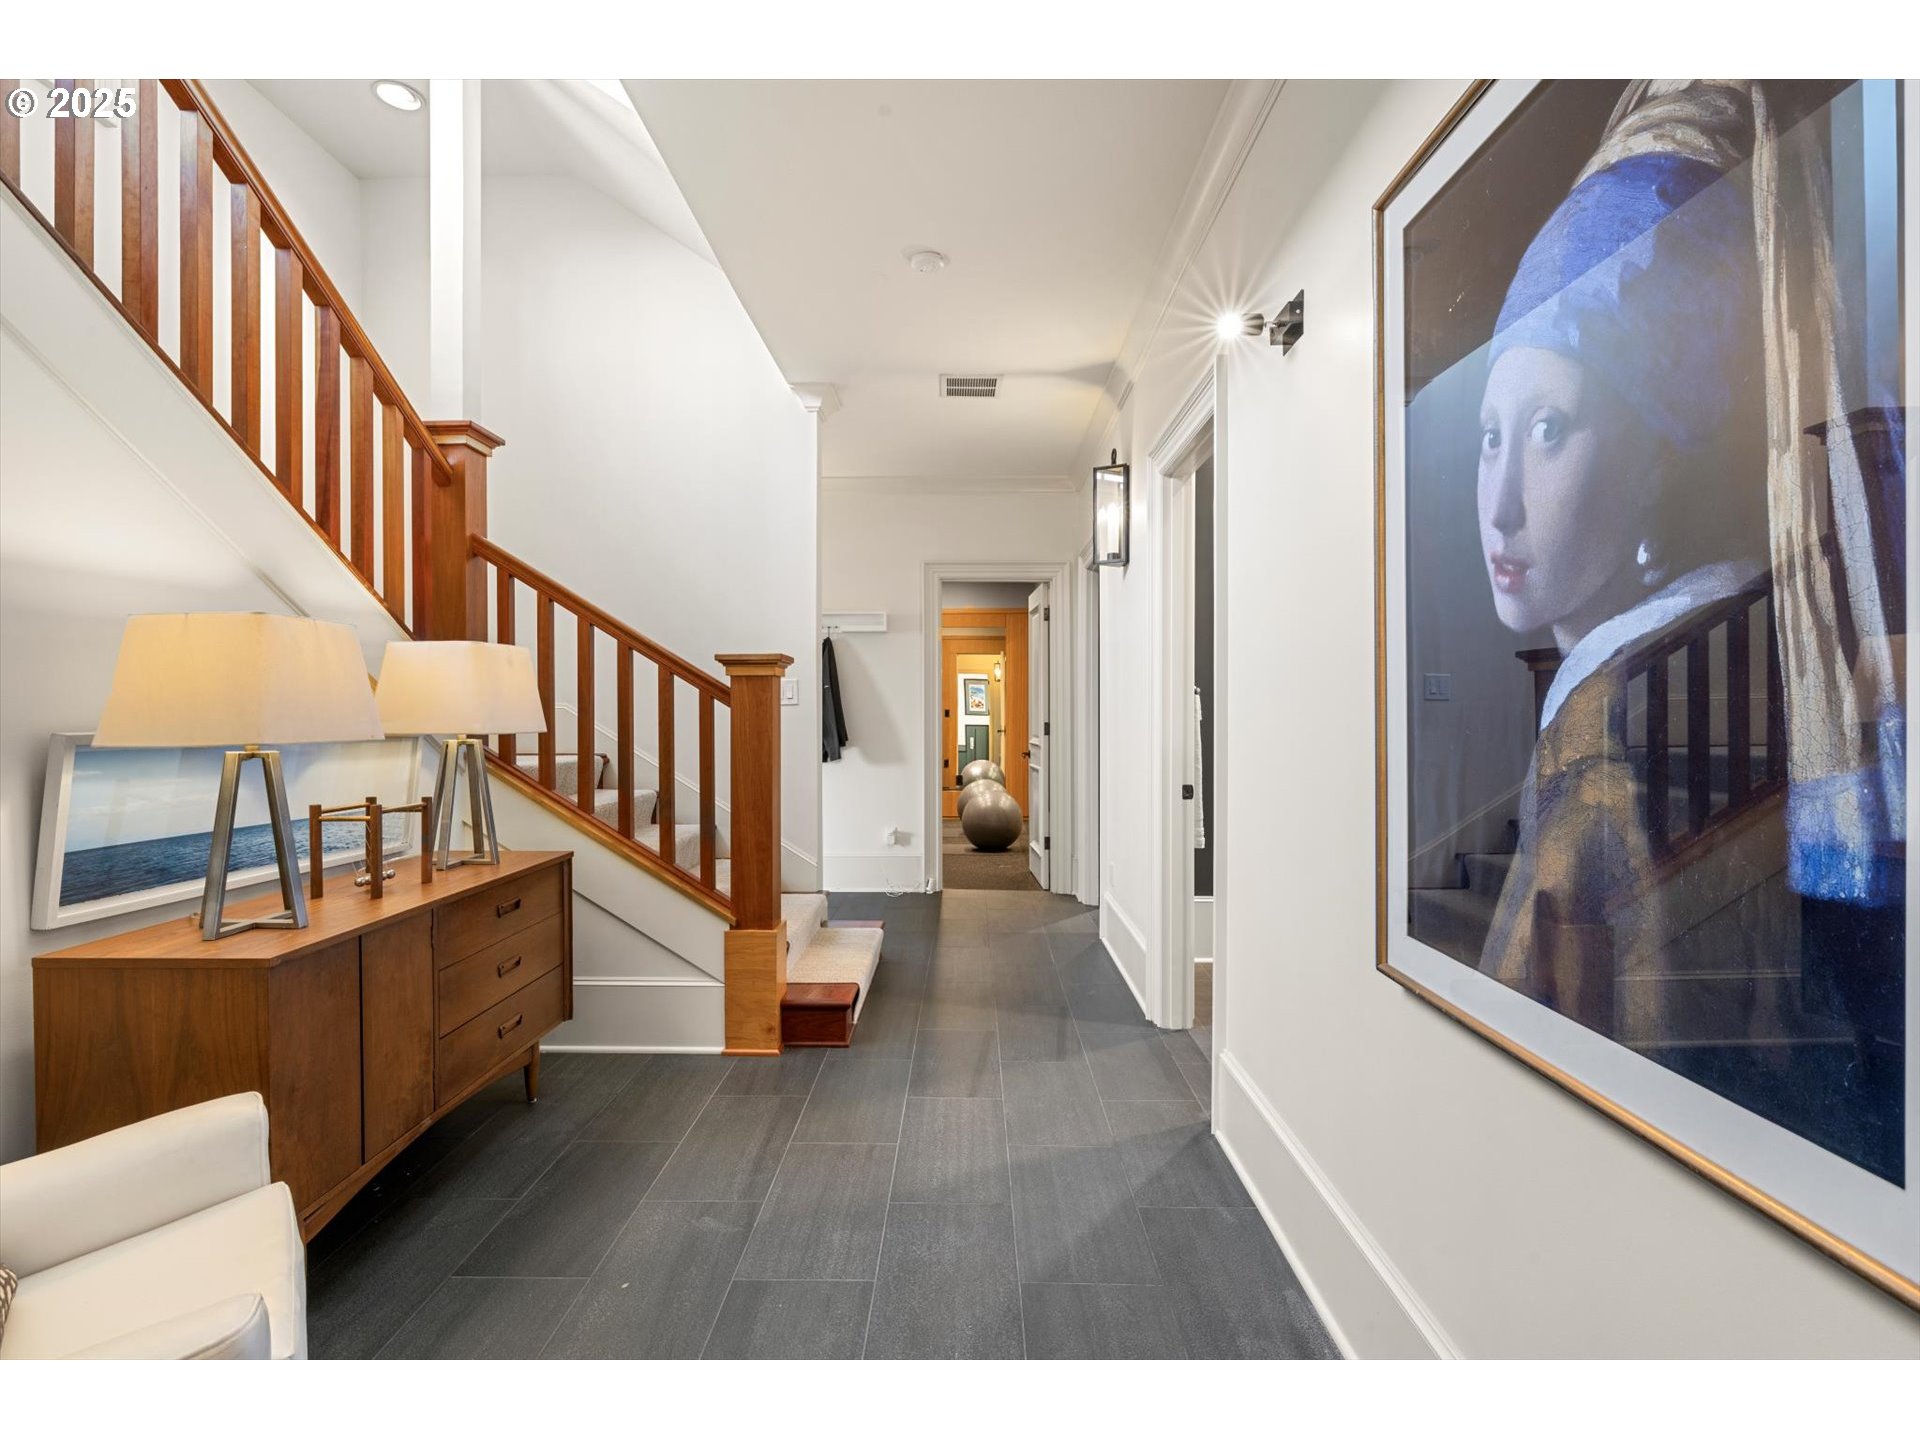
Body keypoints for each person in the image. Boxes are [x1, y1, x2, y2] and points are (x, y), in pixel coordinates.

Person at [1472, 81, 1905, 1090]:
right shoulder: (1609, 695)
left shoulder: (1615, 720)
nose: (1498, 505)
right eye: (1489, 436)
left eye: (1548, 432)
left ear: (1658, 455)